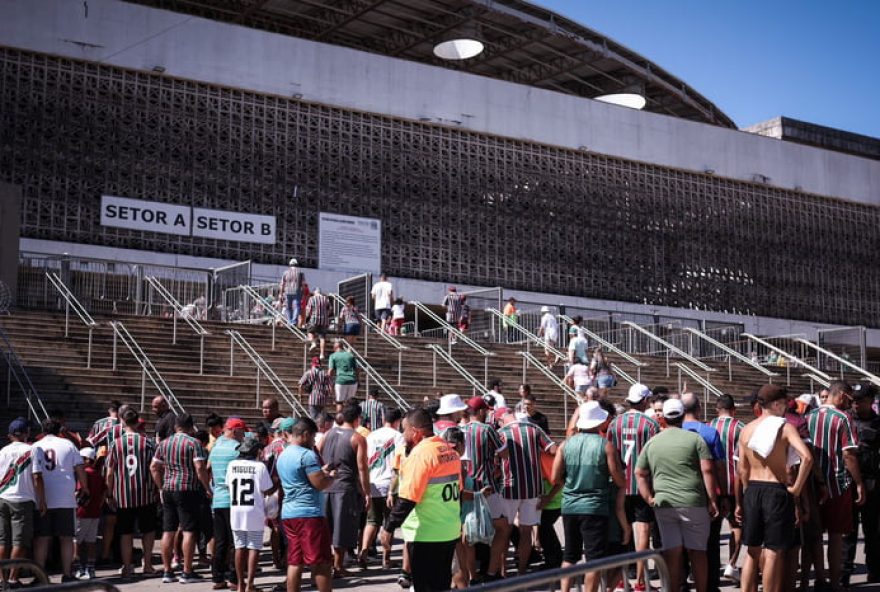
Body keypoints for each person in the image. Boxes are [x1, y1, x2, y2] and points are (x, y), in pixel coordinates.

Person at [635, 399, 718, 592]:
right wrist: (712, 499)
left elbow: (639, 473)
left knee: (672, 553)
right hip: (693, 501)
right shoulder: (695, 439)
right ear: (682, 416)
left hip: (664, 503)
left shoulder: (652, 442)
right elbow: (707, 470)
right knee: (698, 552)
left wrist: (648, 497)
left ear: (663, 417)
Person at [737, 384, 813, 592]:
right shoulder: (785, 427)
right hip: (775, 490)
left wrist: (747, 491)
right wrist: (797, 489)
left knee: (752, 551)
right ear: (777, 404)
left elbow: (742, 469)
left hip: (752, 488)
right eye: (785, 405)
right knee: (773, 551)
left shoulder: (747, 429)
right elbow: (807, 457)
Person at [547, 401, 627, 592]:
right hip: (594, 507)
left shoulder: (565, 445)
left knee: (570, 557)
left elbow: (554, 478)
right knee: (594, 559)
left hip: (569, 506)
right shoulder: (605, 446)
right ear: (598, 422)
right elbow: (619, 479)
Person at [382, 408, 462, 592]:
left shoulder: (420, 455)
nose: (403, 435)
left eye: (405, 430)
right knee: (441, 584)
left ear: (416, 431)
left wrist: (388, 527)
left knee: (425, 586)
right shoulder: (449, 451)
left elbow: (408, 498)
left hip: (427, 533)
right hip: (448, 530)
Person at [807, 380, 865, 592]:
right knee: (835, 535)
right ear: (840, 395)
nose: (850, 404)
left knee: (814, 536)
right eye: (849, 399)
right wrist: (859, 483)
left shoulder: (810, 416)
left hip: (812, 485)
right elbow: (849, 454)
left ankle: (818, 578)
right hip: (837, 483)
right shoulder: (843, 418)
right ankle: (834, 582)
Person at [486, 408, 556, 580]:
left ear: (501, 420)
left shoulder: (500, 433)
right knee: (526, 531)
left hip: (509, 487)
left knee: (504, 531)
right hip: (533, 487)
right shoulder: (534, 429)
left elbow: (494, 463)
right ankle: (522, 571)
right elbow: (554, 450)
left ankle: (502, 571)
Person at [605, 383, 659, 592]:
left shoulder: (615, 423)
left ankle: (620, 578)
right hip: (641, 483)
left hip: (619, 483)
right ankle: (640, 581)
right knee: (643, 529)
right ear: (645, 401)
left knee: (621, 533)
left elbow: (609, 452)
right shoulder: (649, 424)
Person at [150, 413, 212, 584]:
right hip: (187, 488)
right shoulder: (194, 443)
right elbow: (200, 467)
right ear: (191, 426)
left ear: (175, 426)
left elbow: (154, 467)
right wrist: (207, 487)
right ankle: (187, 571)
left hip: (169, 488)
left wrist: (161, 486)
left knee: (168, 530)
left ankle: (168, 571)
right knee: (188, 530)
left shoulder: (164, 444)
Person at [277, 417, 335, 592]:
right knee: (321, 562)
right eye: (313, 437)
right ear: (305, 434)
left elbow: (301, 478)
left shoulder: (283, 454)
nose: (313, 441)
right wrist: (331, 477)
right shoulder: (307, 454)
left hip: (289, 513)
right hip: (309, 514)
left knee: (295, 561)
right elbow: (319, 484)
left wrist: (321, 472)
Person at [33, 417, 88, 582]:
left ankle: (40, 575)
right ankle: (67, 573)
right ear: (60, 430)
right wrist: (85, 488)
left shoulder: (36, 446)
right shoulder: (68, 444)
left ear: (43, 430)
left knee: (42, 538)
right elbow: (80, 467)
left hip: (42, 497)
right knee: (66, 538)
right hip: (65, 496)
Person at [317, 405, 370, 578]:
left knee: (327, 527)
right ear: (357, 419)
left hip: (325, 486)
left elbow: (317, 454)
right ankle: (338, 566)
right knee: (341, 527)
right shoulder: (357, 438)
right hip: (345, 487)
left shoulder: (327, 434)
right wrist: (366, 492)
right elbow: (362, 468)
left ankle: (326, 564)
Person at [680, 392, 725, 592]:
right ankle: (710, 585)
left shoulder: (671, 431)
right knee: (710, 545)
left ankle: (681, 584)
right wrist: (722, 495)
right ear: (699, 409)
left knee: (680, 545)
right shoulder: (709, 432)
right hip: (706, 494)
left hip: (679, 494)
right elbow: (719, 467)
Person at [105, 408, 158, 578]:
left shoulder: (115, 444)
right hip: (145, 493)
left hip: (123, 495)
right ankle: (147, 564)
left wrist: (109, 493)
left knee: (125, 532)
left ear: (123, 423)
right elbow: (154, 467)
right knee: (148, 530)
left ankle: (127, 566)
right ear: (137, 423)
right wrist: (158, 488)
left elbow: (109, 471)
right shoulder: (148, 443)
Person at [0, 418, 46, 588]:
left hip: (3, 497)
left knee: (3, 540)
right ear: (27, 433)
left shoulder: (2, 451)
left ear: (10, 435)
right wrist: (42, 500)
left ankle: (1, 579)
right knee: (20, 541)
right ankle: (12, 579)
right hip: (22, 499)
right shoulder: (32, 450)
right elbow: (37, 476)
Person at [226, 436, 275, 592]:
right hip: (254, 511)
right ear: (255, 451)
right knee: (254, 547)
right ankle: (250, 585)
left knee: (239, 546)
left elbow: (228, 486)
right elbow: (267, 490)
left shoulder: (232, 465)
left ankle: (240, 584)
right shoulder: (259, 467)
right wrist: (277, 482)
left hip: (236, 510)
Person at [843, 383, 880, 584]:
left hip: (873, 483)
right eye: (854, 400)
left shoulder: (877, 422)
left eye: (860, 401)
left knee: (873, 531)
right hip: (848, 482)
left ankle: (874, 569)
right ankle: (844, 574)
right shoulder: (846, 420)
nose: (855, 404)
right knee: (847, 532)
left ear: (871, 402)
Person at [361, 408, 404, 569]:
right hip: (389, 485)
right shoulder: (398, 437)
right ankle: (386, 559)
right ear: (397, 421)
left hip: (372, 482)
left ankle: (364, 551)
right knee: (389, 523)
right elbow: (398, 465)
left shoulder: (371, 435)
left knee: (371, 521)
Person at [208, 418, 247, 590]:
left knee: (220, 540)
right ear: (235, 431)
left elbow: (207, 467)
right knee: (234, 542)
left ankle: (217, 577)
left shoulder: (215, 448)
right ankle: (233, 578)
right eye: (242, 432)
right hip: (234, 500)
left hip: (218, 499)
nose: (244, 436)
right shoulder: (237, 449)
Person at [709, 394, 745, 582]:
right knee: (737, 526)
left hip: (714, 485)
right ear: (734, 410)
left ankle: (711, 567)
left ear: (717, 409)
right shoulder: (741, 427)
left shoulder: (709, 426)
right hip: (735, 485)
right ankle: (732, 563)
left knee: (712, 531)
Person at [73, 447, 104, 580]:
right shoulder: (98, 475)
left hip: (82, 512)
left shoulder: (83, 474)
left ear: (86, 460)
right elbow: (103, 494)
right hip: (95, 512)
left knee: (77, 541)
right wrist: (98, 506)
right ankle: (91, 569)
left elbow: (79, 492)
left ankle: (79, 568)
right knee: (91, 541)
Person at [328, 340, 359, 413]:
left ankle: (339, 421)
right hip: (352, 380)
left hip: (340, 381)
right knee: (350, 403)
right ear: (342, 347)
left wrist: (329, 380)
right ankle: (349, 420)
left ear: (335, 348)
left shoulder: (333, 356)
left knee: (339, 402)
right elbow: (357, 369)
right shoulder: (350, 355)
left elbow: (330, 371)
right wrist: (358, 379)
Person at [305, 287, 331, 360]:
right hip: (324, 321)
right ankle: (322, 354)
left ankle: (313, 343)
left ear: (314, 292)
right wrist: (326, 315)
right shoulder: (326, 299)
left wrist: (307, 318)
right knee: (322, 337)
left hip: (314, 319)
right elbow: (330, 309)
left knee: (310, 332)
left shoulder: (312, 299)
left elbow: (308, 310)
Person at [280, 258, 304, 325]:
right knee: (296, 306)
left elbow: (282, 284)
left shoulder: (285, 272)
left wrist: (281, 293)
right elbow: (303, 284)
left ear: (290, 265)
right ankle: (294, 321)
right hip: (297, 291)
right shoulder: (300, 272)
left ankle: (290, 321)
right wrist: (303, 293)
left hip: (287, 291)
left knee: (288, 307)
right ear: (296, 265)